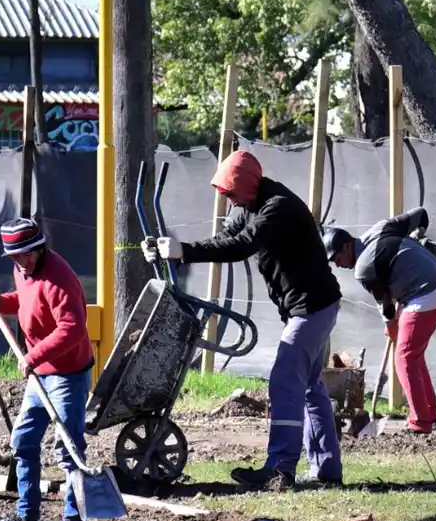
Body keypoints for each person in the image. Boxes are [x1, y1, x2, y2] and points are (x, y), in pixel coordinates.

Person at [142, 150, 344, 490]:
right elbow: (224, 239)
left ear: (247, 185)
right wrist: (174, 251)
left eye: (230, 192)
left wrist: (185, 251)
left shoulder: (278, 207)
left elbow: (241, 246)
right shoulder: (249, 205)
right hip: (311, 306)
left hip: (312, 308)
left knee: (285, 382)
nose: (227, 199)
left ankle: (280, 469)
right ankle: (326, 470)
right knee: (309, 387)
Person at [0, 218, 95, 521]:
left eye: (27, 254)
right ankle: (26, 516)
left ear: (40, 247)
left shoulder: (61, 279)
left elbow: (72, 329)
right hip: (40, 375)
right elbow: (27, 300)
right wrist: (2, 302)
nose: (22, 261)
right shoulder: (22, 269)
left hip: (67, 375)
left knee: (69, 449)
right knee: (23, 441)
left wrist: (32, 357)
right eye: (15, 256)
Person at [323, 207, 436, 434]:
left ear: (346, 246)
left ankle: (420, 423)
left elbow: (385, 306)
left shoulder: (363, 268)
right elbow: (421, 214)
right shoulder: (381, 228)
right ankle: (431, 414)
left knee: (404, 358)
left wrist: (391, 325)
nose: (338, 264)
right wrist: (419, 232)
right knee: (412, 354)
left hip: (425, 293)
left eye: (337, 258)